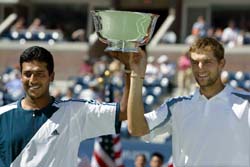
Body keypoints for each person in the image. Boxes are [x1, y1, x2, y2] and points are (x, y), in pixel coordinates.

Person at [0, 46, 146, 167]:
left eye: (40, 74)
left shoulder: (74, 112)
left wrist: (129, 69)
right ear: (20, 76)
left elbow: (125, 111)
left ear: (52, 76)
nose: (33, 80)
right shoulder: (2, 116)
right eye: (28, 74)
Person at [127, 37, 250, 166]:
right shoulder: (177, 106)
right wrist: (136, 75)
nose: (200, 68)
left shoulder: (246, 103)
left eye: (207, 62)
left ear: (221, 64)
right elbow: (137, 129)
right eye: (195, 62)